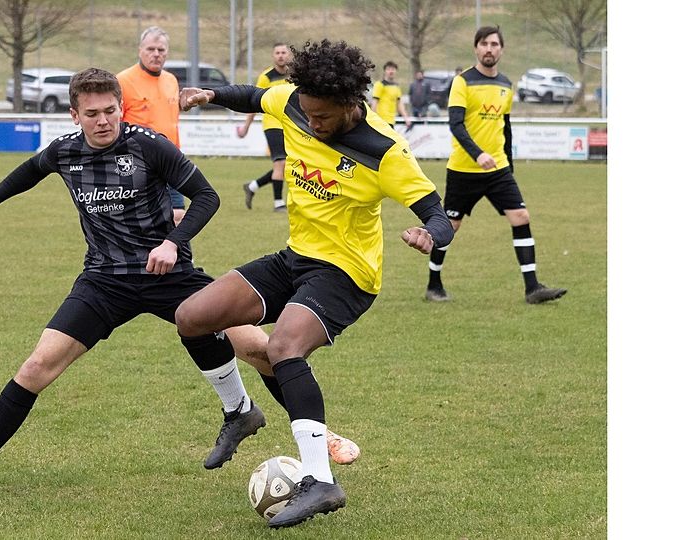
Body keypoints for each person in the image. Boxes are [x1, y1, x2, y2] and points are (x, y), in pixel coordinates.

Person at [0, 68, 358, 500]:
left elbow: (207, 197)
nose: (103, 120)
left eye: (111, 110)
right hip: (103, 282)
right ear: (75, 115)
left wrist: (173, 242)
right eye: (92, 114)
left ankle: (321, 439)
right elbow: (28, 172)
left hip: (172, 277)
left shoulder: (150, 146)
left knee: (262, 350)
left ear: (121, 108)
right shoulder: (64, 152)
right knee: (36, 368)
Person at [176, 39, 454, 528]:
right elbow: (255, 97)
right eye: (306, 113)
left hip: (347, 274)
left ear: (350, 105)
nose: (311, 124)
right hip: (296, 257)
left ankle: (321, 480)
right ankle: (240, 412)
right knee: (192, 317)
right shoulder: (295, 101)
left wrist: (428, 233)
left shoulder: (384, 150)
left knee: (284, 347)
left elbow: (437, 211)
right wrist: (211, 95)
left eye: (322, 117)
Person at [424, 26, 566, 305]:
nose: (489, 48)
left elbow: (506, 128)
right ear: (476, 48)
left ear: (501, 49)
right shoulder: (462, 82)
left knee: (521, 217)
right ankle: (434, 284)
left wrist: (508, 165)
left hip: (498, 170)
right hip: (464, 170)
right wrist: (477, 154)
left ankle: (532, 288)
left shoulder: (506, 85)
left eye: (494, 44)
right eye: (484, 44)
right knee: (449, 226)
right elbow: (456, 124)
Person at [117, 26, 187, 226]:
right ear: (140, 50)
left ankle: (180, 257)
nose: (156, 54)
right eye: (150, 49)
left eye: (161, 50)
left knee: (178, 214)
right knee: (141, 218)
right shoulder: (123, 80)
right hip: (137, 162)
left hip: (170, 159)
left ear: (167, 52)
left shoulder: (171, 80)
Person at [237, 43, 293, 212]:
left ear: (289, 55)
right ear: (273, 56)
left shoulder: (294, 75)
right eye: (277, 52)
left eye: (284, 52)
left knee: (287, 164)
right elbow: (254, 102)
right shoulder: (266, 77)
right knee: (281, 162)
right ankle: (278, 204)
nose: (281, 56)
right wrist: (246, 127)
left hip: (289, 124)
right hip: (272, 124)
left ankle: (253, 186)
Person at [370, 61, 411, 130]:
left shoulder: (396, 87)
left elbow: (400, 104)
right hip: (381, 121)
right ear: (385, 71)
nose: (391, 71)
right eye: (388, 69)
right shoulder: (379, 85)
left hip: (391, 121)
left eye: (393, 69)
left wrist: (406, 118)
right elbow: (374, 102)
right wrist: (372, 119)